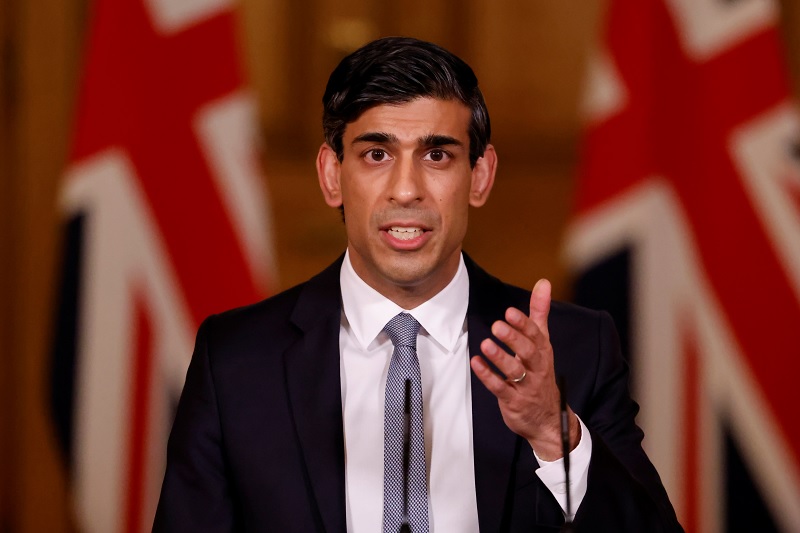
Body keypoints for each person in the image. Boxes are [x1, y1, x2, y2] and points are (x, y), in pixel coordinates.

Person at [153, 37, 683, 532]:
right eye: (376, 154)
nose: (406, 189)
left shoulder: (573, 351)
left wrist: (554, 434)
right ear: (332, 175)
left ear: (479, 176)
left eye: (437, 155)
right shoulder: (237, 360)